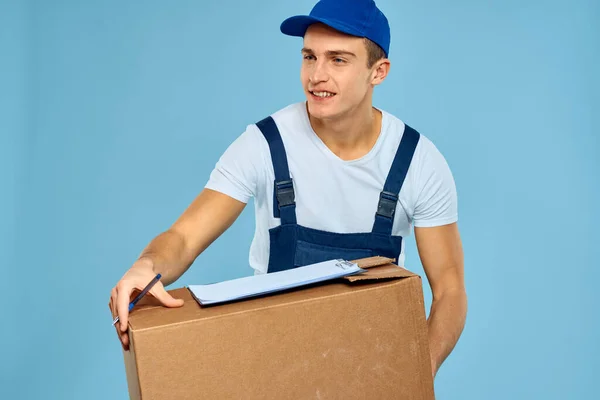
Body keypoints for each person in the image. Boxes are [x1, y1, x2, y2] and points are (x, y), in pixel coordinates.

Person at [109, 0, 467, 379]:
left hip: (372, 367)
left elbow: (449, 290)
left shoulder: (417, 161)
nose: (317, 75)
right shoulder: (264, 144)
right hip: (272, 364)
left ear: (378, 72)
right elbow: (183, 237)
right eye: (309, 57)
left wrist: (414, 375)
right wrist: (145, 266)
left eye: (338, 60)